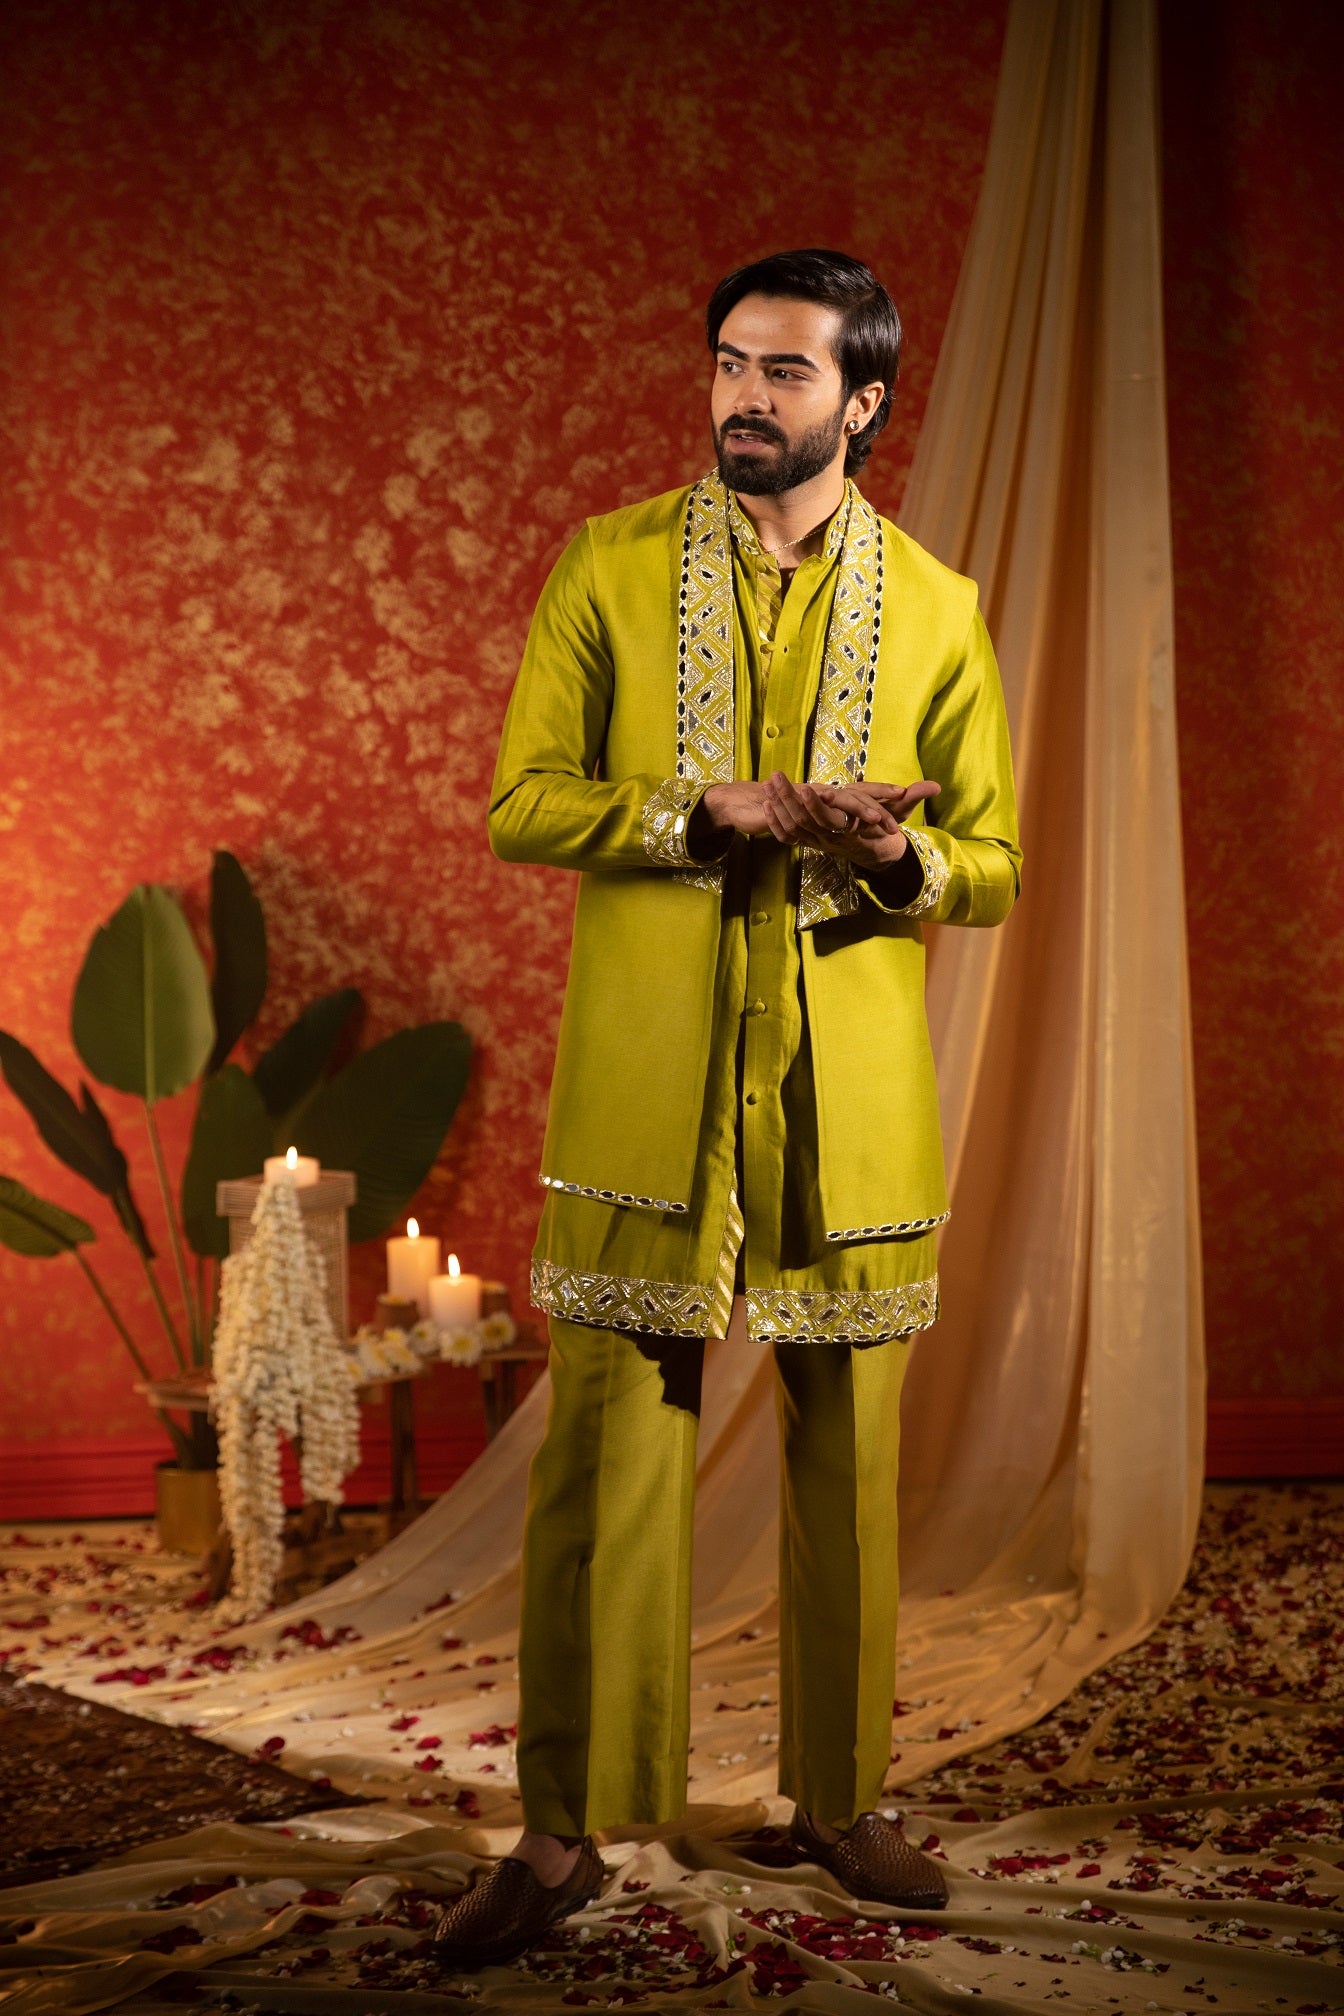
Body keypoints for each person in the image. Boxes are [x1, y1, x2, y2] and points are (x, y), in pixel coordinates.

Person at [433, 248, 1021, 1970]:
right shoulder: (609, 567)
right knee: (605, 1466)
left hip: (848, 1102)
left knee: (852, 1464)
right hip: (652, 1093)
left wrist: (898, 851)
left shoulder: (940, 607)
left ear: (866, 401)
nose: (743, 398)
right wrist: (711, 811)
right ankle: (564, 1832)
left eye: (784, 372)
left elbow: (992, 862)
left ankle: (838, 1801)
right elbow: (523, 803)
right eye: (727, 365)